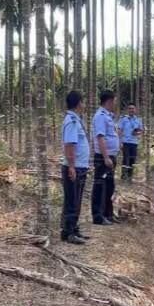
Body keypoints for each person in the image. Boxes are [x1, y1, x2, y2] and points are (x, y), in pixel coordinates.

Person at [61, 91, 90, 244]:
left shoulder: (76, 120)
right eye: (83, 102)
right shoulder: (71, 120)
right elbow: (69, 145)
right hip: (74, 167)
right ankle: (68, 232)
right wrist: (71, 166)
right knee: (72, 200)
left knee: (76, 200)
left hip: (79, 166)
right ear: (79, 103)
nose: (84, 105)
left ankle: (74, 228)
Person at [91, 90, 120, 225]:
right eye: (114, 100)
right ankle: (98, 216)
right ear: (109, 101)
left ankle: (108, 214)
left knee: (109, 186)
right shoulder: (100, 116)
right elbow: (100, 137)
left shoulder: (108, 116)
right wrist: (106, 157)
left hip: (110, 156)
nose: (115, 103)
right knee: (100, 186)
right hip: (103, 158)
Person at [118, 102, 143, 183]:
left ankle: (129, 177)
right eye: (130, 108)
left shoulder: (138, 120)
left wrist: (137, 133)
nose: (131, 110)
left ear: (135, 110)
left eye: (133, 108)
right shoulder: (123, 119)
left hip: (134, 142)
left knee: (132, 159)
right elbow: (120, 130)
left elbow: (141, 131)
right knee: (126, 159)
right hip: (125, 142)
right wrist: (120, 142)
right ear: (127, 110)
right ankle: (123, 176)